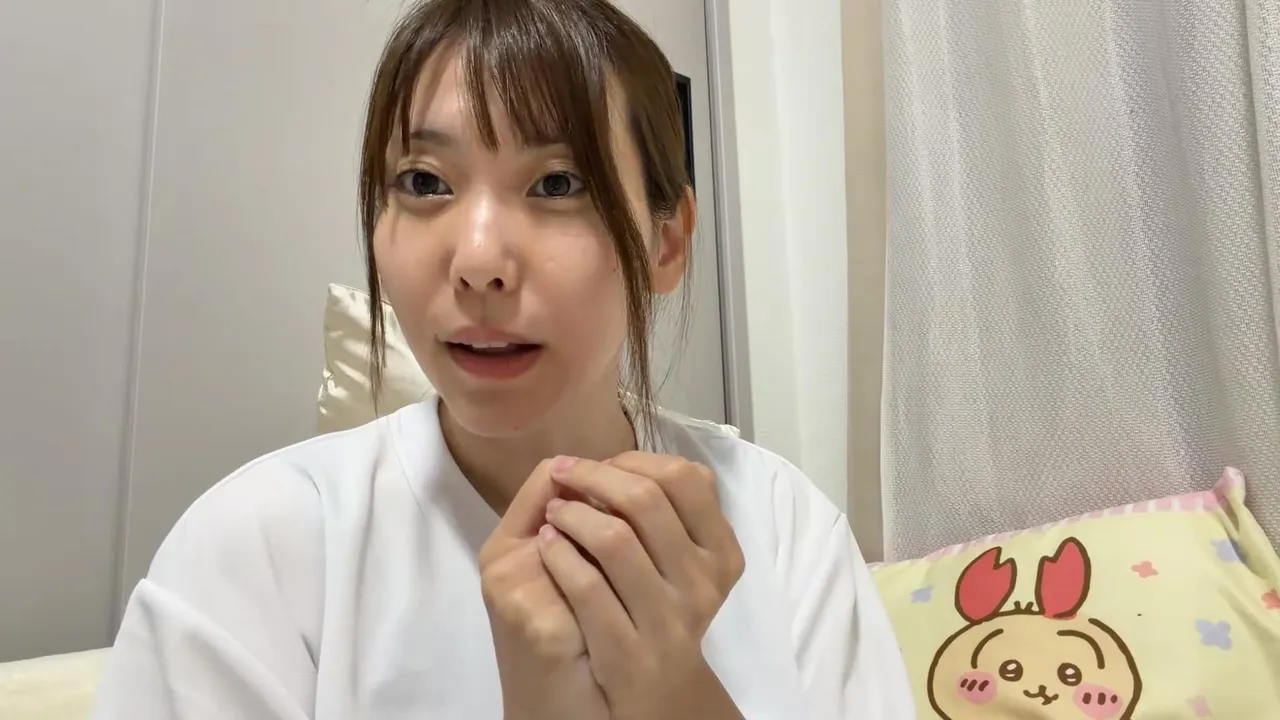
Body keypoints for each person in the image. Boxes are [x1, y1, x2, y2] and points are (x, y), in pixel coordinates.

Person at [92, 0, 914, 717]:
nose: (478, 259)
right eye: (424, 183)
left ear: (667, 241)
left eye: (557, 184)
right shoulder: (258, 547)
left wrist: (675, 697)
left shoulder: (783, 528)